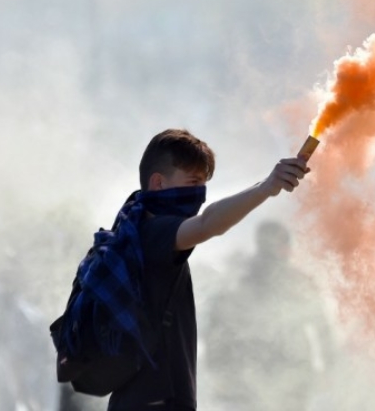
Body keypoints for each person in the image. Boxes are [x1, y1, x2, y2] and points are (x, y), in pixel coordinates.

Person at [104, 128, 310, 411]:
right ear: (158, 183)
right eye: (193, 181)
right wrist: (267, 187)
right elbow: (207, 223)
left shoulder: (134, 232)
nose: (198, 193)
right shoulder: (152, 233)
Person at [203, 220, 334, 411]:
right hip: (266, 377)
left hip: (277, 377)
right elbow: (218, 328)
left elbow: (322, 328)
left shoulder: (240, 281)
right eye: (284, 244)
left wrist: (217, 369)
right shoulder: (246, 283)